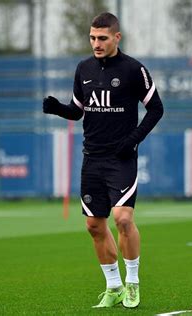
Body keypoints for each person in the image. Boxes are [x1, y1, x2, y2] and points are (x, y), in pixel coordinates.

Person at [42, 12, 164, 308]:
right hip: (92, 159)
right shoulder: (83, 68)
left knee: (123, 218)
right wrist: (58, 108)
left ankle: (133, 283)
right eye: (93, 38)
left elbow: (156, 109)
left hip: (121, 158)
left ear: (116, 38)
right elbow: (78, 110)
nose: (96, 43)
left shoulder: (134, 69)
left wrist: (133, 140)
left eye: (102, 38)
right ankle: (114, 287)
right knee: (94, 226)